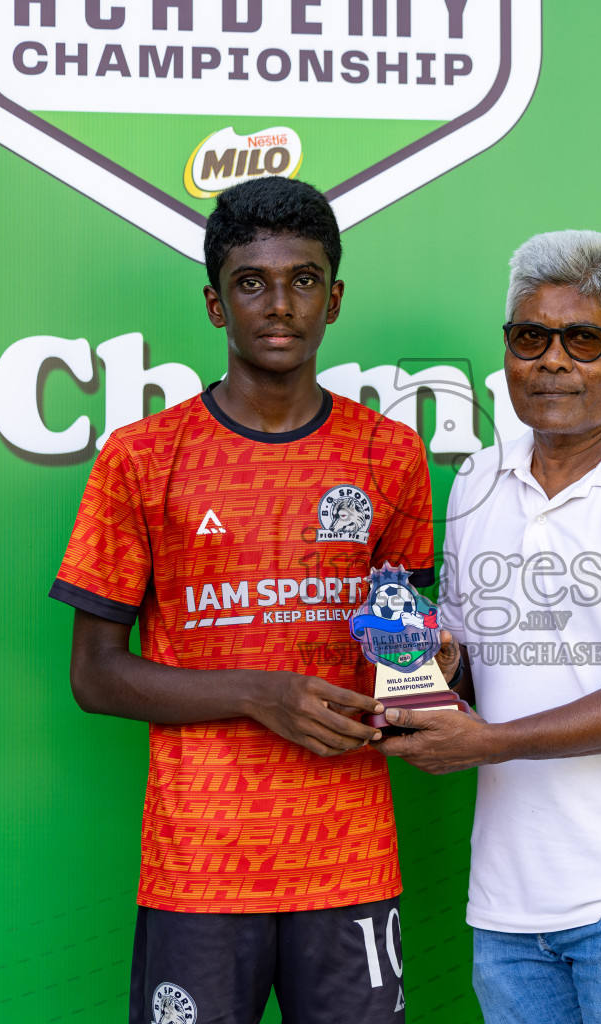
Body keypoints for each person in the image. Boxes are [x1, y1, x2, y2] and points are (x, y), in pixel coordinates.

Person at [50, 176, 440, 1024]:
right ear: (215, 303)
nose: (280, 305)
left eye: (303, 280)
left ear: (334, 300)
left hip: (350, 860)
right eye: (252, 282)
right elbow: (95, 675)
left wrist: (427, 669)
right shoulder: (143, 457)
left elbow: (403, 656)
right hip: (200, 863)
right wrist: (260, 693)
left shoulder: (390, 454)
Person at [376, 230, 601, 1024]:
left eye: (583, 339)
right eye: (529, 337)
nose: (552, 361)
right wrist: (434, 670)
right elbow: (476, 668)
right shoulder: (480, 477)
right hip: (508, 900)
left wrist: (491, 743)